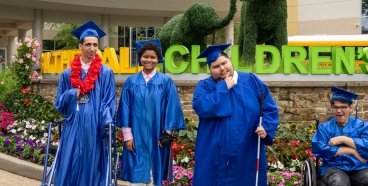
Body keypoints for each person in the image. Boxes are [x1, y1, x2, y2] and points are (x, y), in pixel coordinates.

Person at [192, 44, 279, 186]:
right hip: (214, 149)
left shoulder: (251, 81)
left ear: (230, 61)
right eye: (215, 66)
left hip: (247, 146)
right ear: (210, 69)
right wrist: (224, 87)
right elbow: (202, 107)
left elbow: (269, 107)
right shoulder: (204, 86)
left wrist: (266, 127)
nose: (221, 68)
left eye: (224, 63)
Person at [54, 20, 116, 186]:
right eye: (88, 44)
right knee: (70, 158)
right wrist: (72, 93)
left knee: (92, 161)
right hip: (73, 124)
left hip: (94, 126)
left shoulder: (106, 72)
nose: (92, 48)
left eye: (95, 44)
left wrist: (106, 121)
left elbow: (108, 100)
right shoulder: (67, 74)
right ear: (79, 46)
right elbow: (59, 103)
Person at [116, 39, 185, 186]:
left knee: (155, 174)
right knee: (137, 175)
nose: (149, 60)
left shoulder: (166, 81)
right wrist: (128, 136)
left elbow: (171, 107)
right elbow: (125, 107)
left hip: (157, 135)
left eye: (153, 57)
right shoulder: (131, 81)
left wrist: (167, 134)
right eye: (145, 56)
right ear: (140, 58)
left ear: (158, 59)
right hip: (137, 135)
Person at [312, 86, 368, 186]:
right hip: (334, 167)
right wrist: (351, 150)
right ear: (331, 109)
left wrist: (343, 139)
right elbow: (320, 149)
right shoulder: (324, 128)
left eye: (343, 107)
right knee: (340, 183)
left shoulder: (363, 126)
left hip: (359, 167)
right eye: (335, 107)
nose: (339, 110)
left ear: (350, 108)